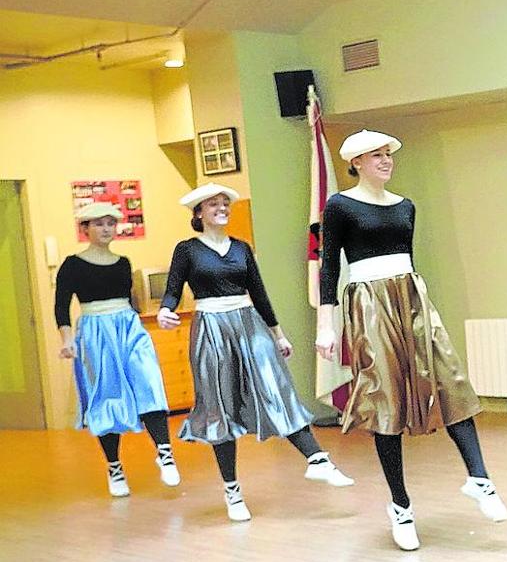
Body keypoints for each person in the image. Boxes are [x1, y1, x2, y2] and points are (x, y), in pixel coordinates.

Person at [316, 130, 507, 553]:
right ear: (357, 162)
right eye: (377, 155)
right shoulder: (340, 206)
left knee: (449, 378)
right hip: (368, 304)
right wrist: (325, 327)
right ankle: (400, 506)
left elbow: (409, 260)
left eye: (388, 154)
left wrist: (417, 305)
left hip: (412, 299)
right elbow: (329, 267)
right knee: (387, 399)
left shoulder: (406, 206)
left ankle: (480, 479)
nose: (386, 160)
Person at [158, 183, 353, 522]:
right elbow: (172, 291)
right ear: (199, 213)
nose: (222, 208)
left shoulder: (241, 249)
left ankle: (317, 460)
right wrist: (165, 311)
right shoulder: (186, 250)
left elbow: (258, 293)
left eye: (225, 203)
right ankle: (232, 491)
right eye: (214, 204)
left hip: (249, 325)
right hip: (211, 329)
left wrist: (277, 334)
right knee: (220, 406)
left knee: (277, 388)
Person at [56, 202, 180, 497]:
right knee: (107, 396)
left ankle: (164, 451)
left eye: (110, 223)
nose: (106, 229)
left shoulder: (124, 262)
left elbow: (129, 300)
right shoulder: (72, 265)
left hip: (128, 326)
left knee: (148, 381)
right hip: (96, 332)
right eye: (98, 224)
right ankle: (114, 467)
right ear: (85, 229)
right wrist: (67, 339)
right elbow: (61, 308)